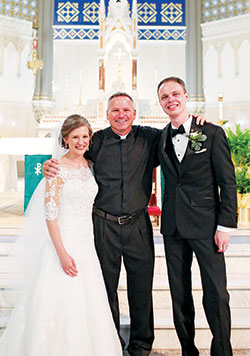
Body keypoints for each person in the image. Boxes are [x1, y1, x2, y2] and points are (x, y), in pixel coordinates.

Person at [43, 92, 206, 356]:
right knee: (105, 287)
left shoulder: (151, 138)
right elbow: (71, 156)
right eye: (115, 110)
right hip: (103, 225)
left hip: (138, 225)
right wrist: (49, 165)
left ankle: (141, 345)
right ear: (106, 114)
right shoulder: (96, 142)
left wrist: (196, 121)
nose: (121, 115)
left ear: (134, 113)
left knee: (141, 288)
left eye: (126, 110)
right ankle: (112, 343)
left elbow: (180, 132)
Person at [0, 114, 122, 356]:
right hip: (62, 245)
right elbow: (50, 216)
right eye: (75, 137)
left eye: (85, 136)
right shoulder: (55, 169)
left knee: (88, 303)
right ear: (64, 139)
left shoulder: (90, 165)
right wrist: (62, 253)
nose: (81, 141)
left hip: (87, 244)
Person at [157, 77, 237, 356]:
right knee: (179, 296)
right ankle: (187, 350)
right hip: (172, 228)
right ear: (160, 103)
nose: (171, 100)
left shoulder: (212, 133)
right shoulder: (161, 137)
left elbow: (227, 182)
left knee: (217, 293)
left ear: (186, 96)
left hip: (206, 226)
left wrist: (224, 226)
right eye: (165, 97)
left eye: (175, 94)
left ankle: (222, 351)